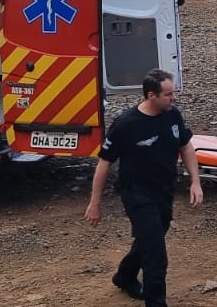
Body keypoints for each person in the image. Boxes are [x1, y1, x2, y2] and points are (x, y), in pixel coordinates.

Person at [85, 69, 203, 306]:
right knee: (156, 254)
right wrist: (95, 203)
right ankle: (156, 302)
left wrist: (195, 181)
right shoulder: (126, 124)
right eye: (168, 94)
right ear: (151, 95)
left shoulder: (172, 115)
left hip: (163, 190)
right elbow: (104, 163)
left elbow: (186, 147)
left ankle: (125, 276)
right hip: (137, 193)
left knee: (152, 237)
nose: (174, 98)